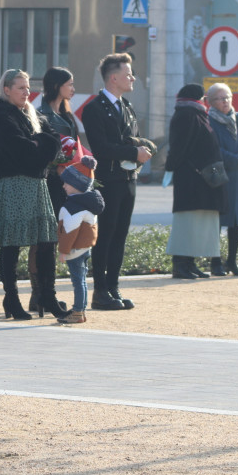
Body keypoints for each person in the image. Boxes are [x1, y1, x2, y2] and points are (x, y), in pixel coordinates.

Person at [0, 69, 69, 320]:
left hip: (38, 183)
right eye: (20, 88)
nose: (26, 92)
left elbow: (53, 139)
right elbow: (19, 148)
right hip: (15, 183)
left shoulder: (31, 112)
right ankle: (11, 298)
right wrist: (41, 145)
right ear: (6, 89)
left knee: (46, 242)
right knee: (12, 243)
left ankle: (48, 296)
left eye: (27, 87)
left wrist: (40, 143)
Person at [80, 53, 156, 310]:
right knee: (106, 235)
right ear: (113, 78)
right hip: (109, 180)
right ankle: (100, 291)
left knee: (120, 236)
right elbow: (101, 148)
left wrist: (141, 151)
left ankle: (113, 287)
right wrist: (133, 152)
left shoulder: (127, 107)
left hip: (128, 178)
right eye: (128, 74)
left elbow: (131, 140)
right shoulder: (94, 108)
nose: (132, 78)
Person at [164, 84, 227, 279]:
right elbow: (179, 147)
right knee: (187, 222)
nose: (205, 101)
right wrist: (170, 166)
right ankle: (180, 264)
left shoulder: (195, 113)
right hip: (190, 180)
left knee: (196, 223)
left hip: (200, 180)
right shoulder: (186, 115)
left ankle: (190, 263)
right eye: (203, 97)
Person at [31, 66, 80, 314]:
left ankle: (43, 294)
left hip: (65, 180)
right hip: (50, 179)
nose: (73, 88)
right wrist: (58, 164)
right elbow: (42, 149)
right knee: (45, 238)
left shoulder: (65, 114)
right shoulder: (42, 114)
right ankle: (39, 294)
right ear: (56, 86)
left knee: (55, 236)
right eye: (69, 84)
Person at [206, 82, 238, 276]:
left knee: (236, 221)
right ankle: (216, 262)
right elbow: (214, 148)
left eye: (227, 97)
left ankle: (232, 261)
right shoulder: (209, 120)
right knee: (218, 221)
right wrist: (236, 159)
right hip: (222, 175)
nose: (225, 101)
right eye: (220, 98)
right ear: (211, 102)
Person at [56, 155, 104, 324]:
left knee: (77, 281)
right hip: (85, 248)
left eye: (67, 183)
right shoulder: (89, 202)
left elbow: (69, 232)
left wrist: (63, 251)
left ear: (77, 185)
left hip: (75, 250)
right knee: (81, 280)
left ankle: (77, 311)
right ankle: (80, 310)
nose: (64, 186)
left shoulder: (73, 207)